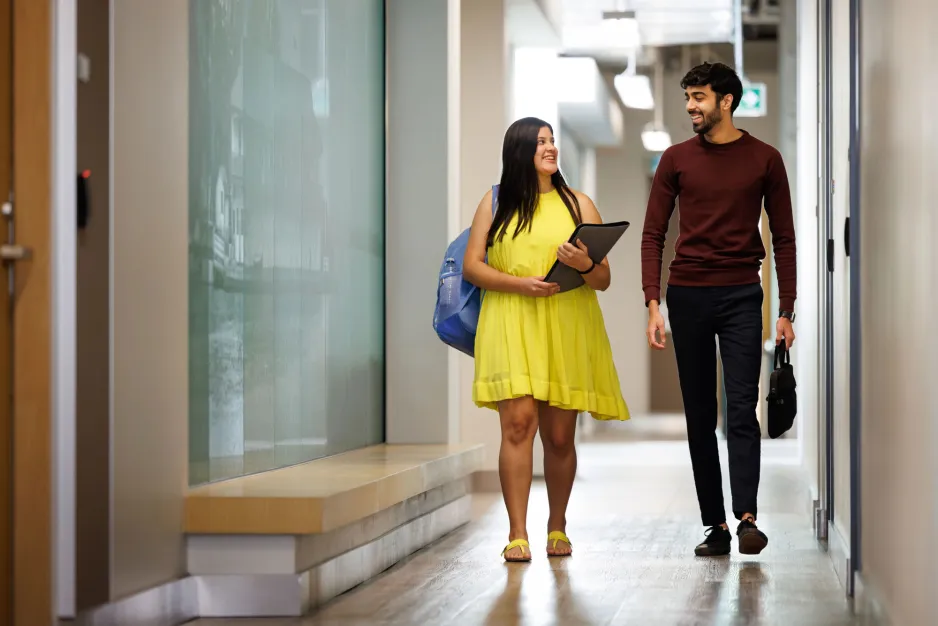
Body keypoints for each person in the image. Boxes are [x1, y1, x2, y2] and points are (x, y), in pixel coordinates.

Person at [640, 62, 797, 557]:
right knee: (700, 415)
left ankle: (747, 517)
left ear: (726, 101)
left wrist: (786, 308)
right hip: (687, 295)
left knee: (741, 408)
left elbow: (785, 237)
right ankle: (716, 526)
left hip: (742, 295)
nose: (690, 105)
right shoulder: (675, 159)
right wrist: (652, 302)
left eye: (699, 97)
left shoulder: (765, 159)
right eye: (688, 96)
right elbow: (653, 233)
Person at [464, 117, 630, 562]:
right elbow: (472, 267)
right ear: (519, 150)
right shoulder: (495, 202)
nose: (551, 147)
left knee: (558, 437)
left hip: (566, 324)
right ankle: (517, 533)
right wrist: (521, 285)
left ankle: (558, 526)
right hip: (511, 320)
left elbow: (604, 280)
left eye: (552, 140)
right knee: (518, 425)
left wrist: (583, 263)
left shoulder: (579, 204)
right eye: (541, 142)